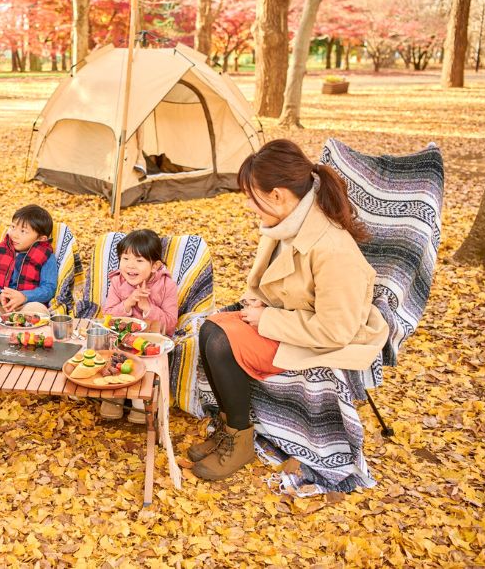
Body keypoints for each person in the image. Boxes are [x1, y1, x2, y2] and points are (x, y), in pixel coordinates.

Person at [189, 139, 389, 481]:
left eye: (253, 197)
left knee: (222, 342)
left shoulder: (332, 248)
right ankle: (229, 429)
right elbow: (286, 286)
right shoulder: (286, 224)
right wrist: (263, 303)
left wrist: (268, 318)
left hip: (327, 338)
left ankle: (241, 440)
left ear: (278, 194)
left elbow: (335, 330)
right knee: (210, 328)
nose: (250, 206)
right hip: (293, 319)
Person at [99, 229, 178, 423]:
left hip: (148, 342)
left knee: (143, 360)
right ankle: (115, 396)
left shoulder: (167, 286)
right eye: (125, 258)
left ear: (155, 265)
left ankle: (138, 400)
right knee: (110, 352)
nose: (130, 266)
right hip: (119, 340)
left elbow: (169, 324)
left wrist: (147, 307)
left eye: (139, 260)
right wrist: (128, 303)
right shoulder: (117, 281)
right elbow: (107, 315)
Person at [0, 204, 59, 317]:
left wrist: (24, 296)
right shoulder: (1, 251)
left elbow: (48, 288)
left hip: (27, 304)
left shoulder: (46, 256)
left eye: (23, 231)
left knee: (38, 312)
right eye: (13, 227)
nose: (14, 234)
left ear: (41, 239)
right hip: (0, 304)